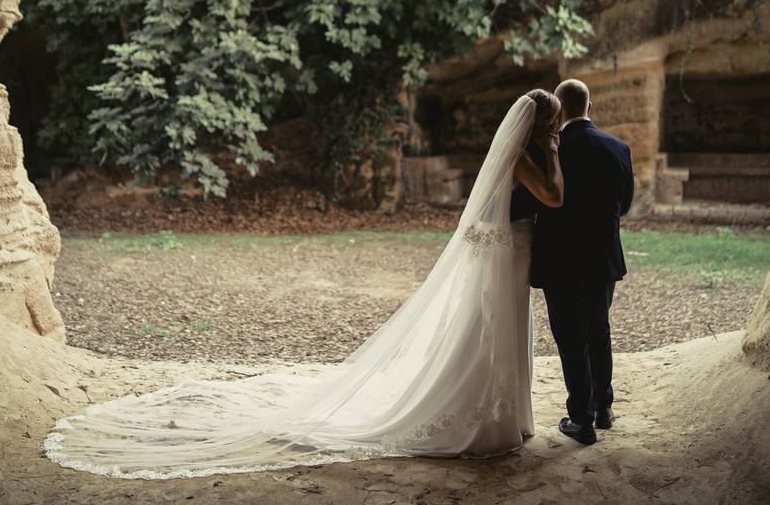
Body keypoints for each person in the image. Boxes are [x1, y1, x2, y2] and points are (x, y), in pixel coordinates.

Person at [43, 89, 565, 478]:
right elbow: (554, 198)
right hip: (506, 251)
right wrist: (558, 152)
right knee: (490, 330)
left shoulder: (518, 153)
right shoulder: (523, 158)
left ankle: (510, 416)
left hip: (510, 249)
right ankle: (481, 415)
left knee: (504, 329)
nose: (552, 131)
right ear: (539, 126)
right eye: (552, 125)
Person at [513, 78, 633, 445]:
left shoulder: (546, 149)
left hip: (560, 259)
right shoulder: (618, 147)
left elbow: (532, 203)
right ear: (590, 108)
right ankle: (604, 409)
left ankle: (580, 418)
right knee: (599, 329)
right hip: (602, 257)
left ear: (559, 111)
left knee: (570, 338)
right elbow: (624, 205)